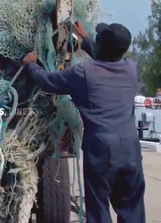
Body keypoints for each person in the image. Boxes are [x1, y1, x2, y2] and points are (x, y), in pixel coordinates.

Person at [23, 22, 146, 223]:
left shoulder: (82, 74)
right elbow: (106, 60)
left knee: (98, 208)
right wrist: (87, 39)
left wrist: (32, 65)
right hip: (131, 148)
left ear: (101, 46)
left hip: (102, 149)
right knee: (132, 208)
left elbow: (47, 81)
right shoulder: (131, 69)